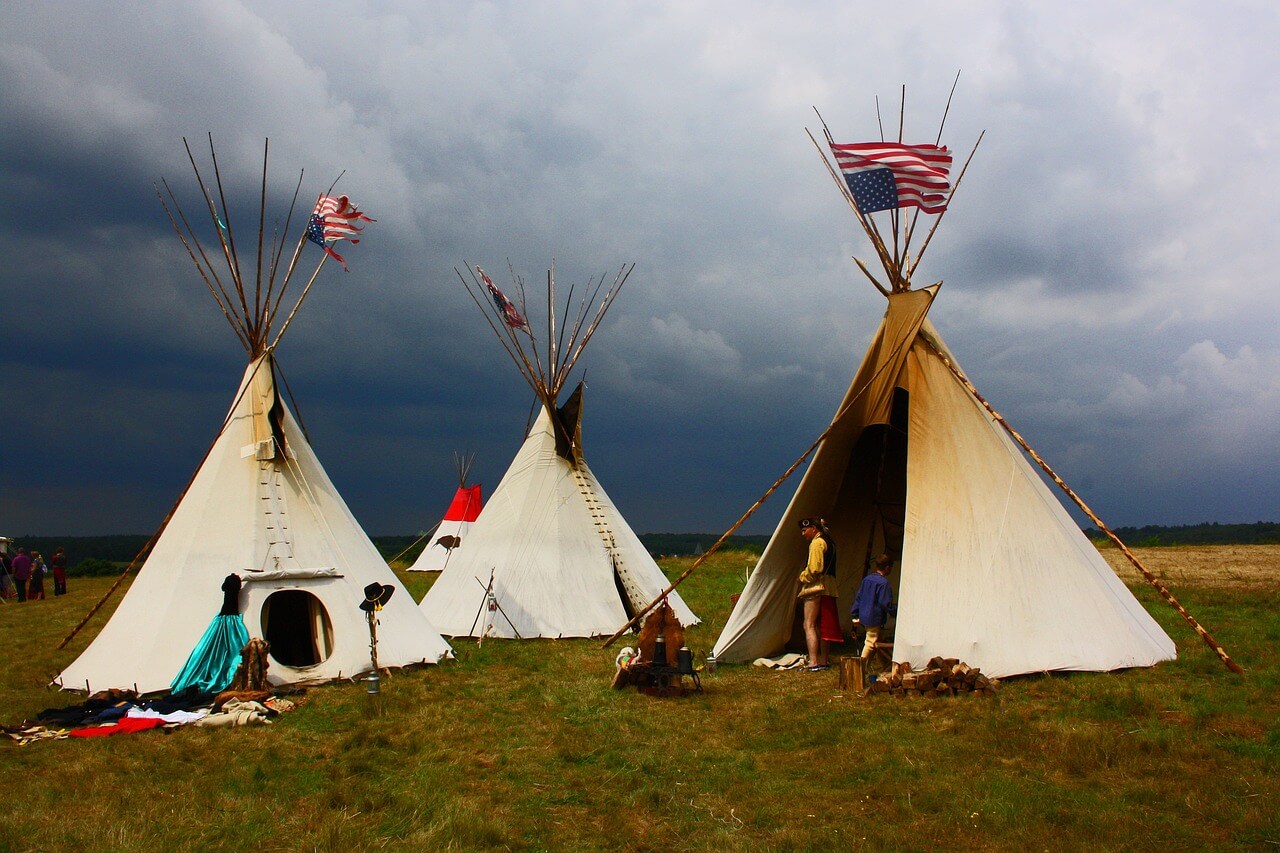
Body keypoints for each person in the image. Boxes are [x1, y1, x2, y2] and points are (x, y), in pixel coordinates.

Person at [796, 516, 840, 672]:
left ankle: (813, 661)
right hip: (829, 587)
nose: (803, 534)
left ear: (814, 529)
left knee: (809, 624)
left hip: (817, 587)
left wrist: (802, 577)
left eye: (804, 530)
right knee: (823, 625)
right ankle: (823, 660)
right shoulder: (831, 542)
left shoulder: (817, 543)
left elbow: (815, 569)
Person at [852, 553, 898, 660]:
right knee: (870, 642)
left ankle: (884, 664)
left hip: (864, 616)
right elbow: (885, 603)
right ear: (887, 568)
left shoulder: (867, 580)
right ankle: (860, 667)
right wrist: (896, 612)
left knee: (878, 641)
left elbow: (859, 597)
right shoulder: (883, 583)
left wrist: (855, 614)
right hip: (873, 617)